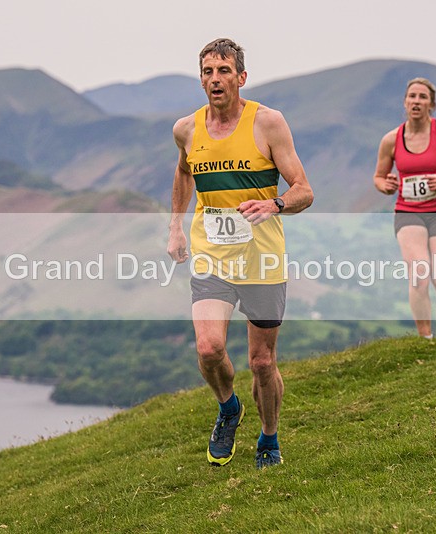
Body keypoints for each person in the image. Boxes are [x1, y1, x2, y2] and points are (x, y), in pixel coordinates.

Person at [167, 38, 314, 469]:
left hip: (261, 259)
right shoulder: (186, 129)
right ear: (201, 79)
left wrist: (275, 204)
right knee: (209, 348)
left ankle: (269, 437)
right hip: (212, 255)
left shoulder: (268, 123)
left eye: (224, 71)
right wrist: (175, 225)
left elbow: (304, 190)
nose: (215, 79)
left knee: (263, 362)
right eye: (208, 72)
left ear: (241, 77)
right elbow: (183, 172)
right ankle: (229, 407)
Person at [373, 77, 436, 339]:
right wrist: (386, 185)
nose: (416, 101)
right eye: (412, 96)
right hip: (409, 212)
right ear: (405, 102)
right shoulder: (391, 140)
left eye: (422, 97)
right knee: (418, 274)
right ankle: (425, 340)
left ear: (432, 104)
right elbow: (379, 177)